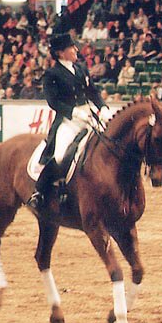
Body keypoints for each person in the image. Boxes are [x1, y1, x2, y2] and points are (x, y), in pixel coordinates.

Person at [26, 33, 111, 212]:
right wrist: (74, 112)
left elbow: (93, 92)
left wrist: (102, 108)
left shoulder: (80, 69)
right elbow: (53, 102)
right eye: (72, 48)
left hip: (88, 116)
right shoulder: (51, 74)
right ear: (60, 53)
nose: (76, 50)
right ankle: (40, 191)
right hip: (68, 120)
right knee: (60, 154)